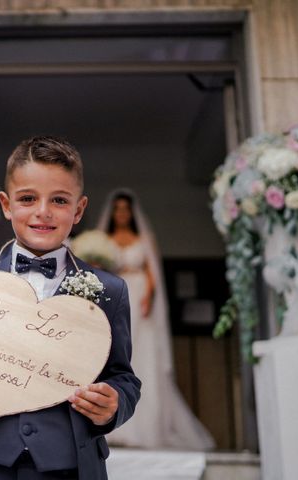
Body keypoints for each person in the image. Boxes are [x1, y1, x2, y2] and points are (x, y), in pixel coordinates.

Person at [0, 136, 141, 479]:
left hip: (68, 465)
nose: (43, 211)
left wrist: (114, 402)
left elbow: (123, 377)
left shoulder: (109, 291)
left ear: (79, 209)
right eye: (28, 199)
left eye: (59, 200)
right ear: (6, 204)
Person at [97, 189, 215, 450]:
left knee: (141, 357)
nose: (122, 214)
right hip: (116, 294)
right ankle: (112, 427)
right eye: (118, 209)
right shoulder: (104, 239)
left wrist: (148, 296)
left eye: (125, 209)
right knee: (113, 354)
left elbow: (152, 273)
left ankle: (144, 429)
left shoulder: (144, 238)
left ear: (131, 213)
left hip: (139, 297)